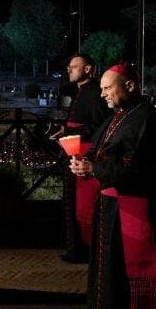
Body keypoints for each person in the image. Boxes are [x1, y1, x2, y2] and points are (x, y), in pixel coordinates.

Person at [72, 63, 156, 309]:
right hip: (114, 205)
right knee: (115, 269)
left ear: (129, 86)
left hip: (137, 205)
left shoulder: (146, 119)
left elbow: (137, 167)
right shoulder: (120, 115)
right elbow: (100, 149)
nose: (103, 94)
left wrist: (94, 168)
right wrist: (84, 163)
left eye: (108, 88)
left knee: (140, 272)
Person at [55, 54, 112, 263]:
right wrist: (64, 131)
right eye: (69, 67)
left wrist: (70, 133)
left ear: (87, 69)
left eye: (74, 67)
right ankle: (75, 249)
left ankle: (83, 250)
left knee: (83, 204)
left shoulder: (96, 92)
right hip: (74, 150)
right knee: (72, 200)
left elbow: (99, 127)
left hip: (84, 153)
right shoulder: (79, 91)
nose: (69, 70)